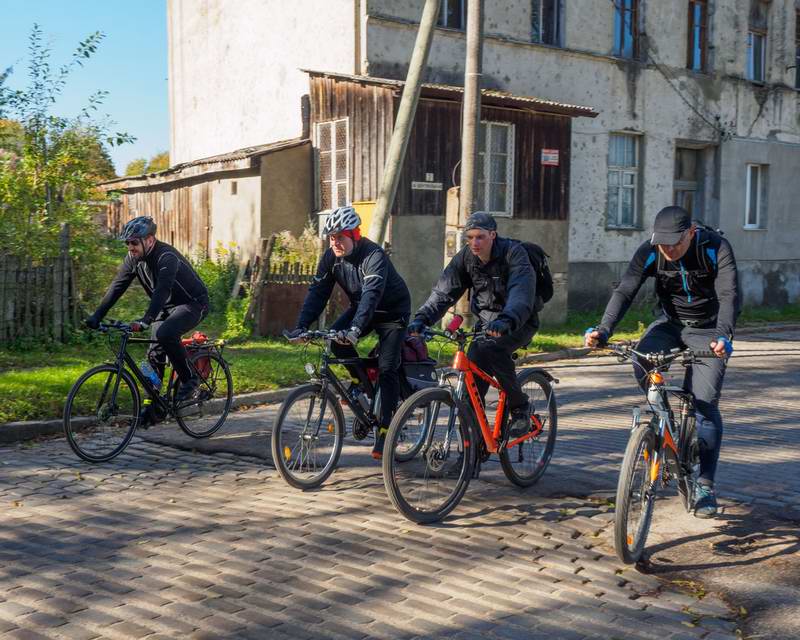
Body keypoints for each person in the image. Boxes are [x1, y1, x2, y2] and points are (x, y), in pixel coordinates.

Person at [584, 205, 740, 518]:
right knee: (641, 360)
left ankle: (705, 485)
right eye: (662, 243)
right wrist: (603, 330)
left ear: (691, 233)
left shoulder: (715, 248)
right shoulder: (652, 251)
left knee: (704, 404)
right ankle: (662, 421)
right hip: (670, 323)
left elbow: (729, 296)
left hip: (709, 328)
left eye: (674, 243)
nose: (667, 249)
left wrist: (723, 336)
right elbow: (625, 289)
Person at [286, 206, 411, 460]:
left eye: (340, 236)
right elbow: (317, 293)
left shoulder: (373, 255)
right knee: (335, 339)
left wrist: (355, 329)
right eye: (331, 238)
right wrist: (302, 325)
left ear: (355, 234)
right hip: (361, 309)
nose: (335, 242)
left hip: (392, 313)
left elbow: (371, 295)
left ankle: (387, 431)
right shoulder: (331, 258)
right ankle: (361, 382)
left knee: (387, 368)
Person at [409, 212, 538, 440]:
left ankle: (520, 408)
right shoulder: (466, 258)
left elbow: (521, 293)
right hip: (487, 324)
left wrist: (507, 320)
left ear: (493, 235)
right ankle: (471, 456)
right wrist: (422, 319)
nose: (474, 243)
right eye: (470, 237)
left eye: (480, 237)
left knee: (493, 348)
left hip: (519, 321)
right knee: (470, 395)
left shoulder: (513, 254)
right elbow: (443, 293)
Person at [86, 216, 210, 413]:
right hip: (167, 308)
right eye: (127, 243)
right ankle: (153, 405)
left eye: (134, 242)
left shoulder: (166, 257)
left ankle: (190, 378)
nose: (130, 247)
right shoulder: (133, 259)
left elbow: (162, 290)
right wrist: (97, 316)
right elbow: (117, 287)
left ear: (150, 240)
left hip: (193, 303)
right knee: (151, 358)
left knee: (165, 334)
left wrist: (147, 319)